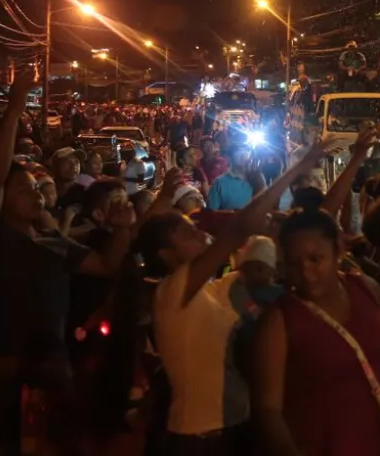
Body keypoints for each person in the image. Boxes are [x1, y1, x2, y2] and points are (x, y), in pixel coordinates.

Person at [0, 73, 135, 455]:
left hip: (52, 377)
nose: (36, 194)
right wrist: (18, 102)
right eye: (23, 189)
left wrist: (123, 230)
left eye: (38, 188)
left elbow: (105, 266)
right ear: (1, 200)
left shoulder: (54, 243)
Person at [137, 141, 325, 455]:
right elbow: (240, 227)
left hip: (235, 432)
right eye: (186, 234)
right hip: (199, 440)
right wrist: (294, 171)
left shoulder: (216, 289)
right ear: (165, 255)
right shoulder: (170, 292)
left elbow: (258, 259)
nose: (198, 234)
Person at [253, 208, 380, 456]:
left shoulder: (364, 288)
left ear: (338, 250)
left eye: (316, 259)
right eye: (294, 264)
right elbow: (268, 410)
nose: (305, 272)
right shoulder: (279, 320)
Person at [208, 143, 259, 211]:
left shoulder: (255, 180)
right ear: (230, 158)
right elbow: (210, 214)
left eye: (246, 150)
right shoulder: (220, 183)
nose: (243, 154)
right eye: (238, 150)